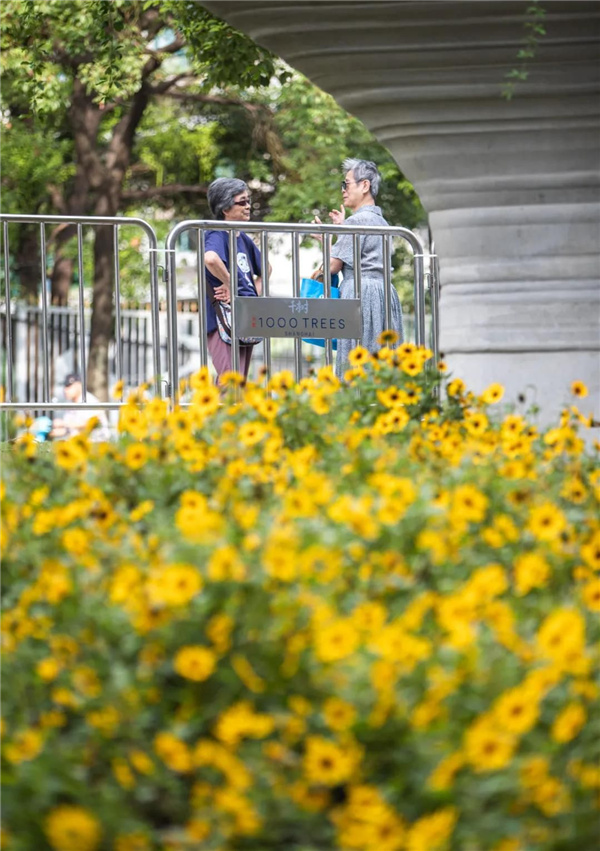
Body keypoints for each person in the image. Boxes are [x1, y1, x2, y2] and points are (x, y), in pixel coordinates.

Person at [313, 158, 404, 378]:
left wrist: (324, 241)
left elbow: (332, 267)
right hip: (383, 293)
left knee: (354, 361)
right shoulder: (381, 222)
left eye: (347, 184)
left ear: (365, 185)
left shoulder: (356, 222)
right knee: (382, 361)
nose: (343, 190)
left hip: (359, 293)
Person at [204, 177, 264, 384]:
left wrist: (252, 296)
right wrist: (232, 286)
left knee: (237, 383)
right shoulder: (218, 233)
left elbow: (267, 269)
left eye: (248, 201)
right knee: (230, 383)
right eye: (242, 202)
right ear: (225, 208)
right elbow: (210, 258)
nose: (248, 206)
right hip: (223, 318)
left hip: (244, 317)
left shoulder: (242, 238)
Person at [50, 373, 110, 440]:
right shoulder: (70, 403)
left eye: (69, 386)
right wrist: (52, 432)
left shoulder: (89, 400)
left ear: (79, 385)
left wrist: (63, 423)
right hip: (81, 444)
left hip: (97, 444)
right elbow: (72, 429)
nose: (65, 390)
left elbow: (89, 424)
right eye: (65, 386)